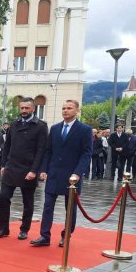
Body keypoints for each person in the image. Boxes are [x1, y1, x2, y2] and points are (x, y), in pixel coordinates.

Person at [31, 100, 92, 247]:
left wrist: (77, 173)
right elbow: (48, 151)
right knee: (47, 206)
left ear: (77, 110)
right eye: (64, 108)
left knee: (69, 208)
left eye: (69, 108)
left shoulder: (84, 129)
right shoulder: (55, 128)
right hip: (54, 174)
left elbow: (86, 153)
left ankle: (66, 235)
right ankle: (44, 236)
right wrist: (44, 169)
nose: (65, 110)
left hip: (72, 177)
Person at [0, 98, 47, 240]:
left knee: (27, 201)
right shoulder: (14, 124)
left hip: (28, 169)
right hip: (11, 167)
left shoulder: (41, 126)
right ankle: (3, 228)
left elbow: (41, 151)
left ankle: (24, 229)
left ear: (33, 109)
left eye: (27, 108)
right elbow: (7, 147)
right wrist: (3, 165)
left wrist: (34, 171)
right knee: (3, 197)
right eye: (22, 108)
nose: (24, 110)